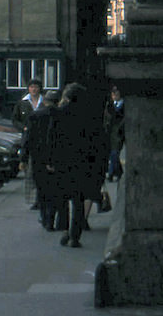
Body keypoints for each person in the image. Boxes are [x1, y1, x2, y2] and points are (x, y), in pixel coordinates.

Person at [47, 82, 101, 248]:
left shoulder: (58, 113)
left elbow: (52, 139)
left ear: (67, 97)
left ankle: (64, 231)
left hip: (62, 162)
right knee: (78, 200)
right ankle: (75, 236)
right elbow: (95, 142)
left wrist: (50, 160)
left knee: (62, 198)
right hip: (82, 163)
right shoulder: (89, 116)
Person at [21, 89, 60, 230]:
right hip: (57, 157)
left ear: (45, 101)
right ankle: (51, 217)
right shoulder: (62, 115)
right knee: (55, 189)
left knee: (42, 189)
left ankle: (44, 216)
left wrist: (23, 158)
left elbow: (27, 138)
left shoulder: (35, 115)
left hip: (38, 157)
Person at [104, 85, 125, 182]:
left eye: (116, 93)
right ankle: (119, 171)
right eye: (113, 94)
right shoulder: (109, 105)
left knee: (114, 153)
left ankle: (111, 173)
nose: (114, 96)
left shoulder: (124, 105)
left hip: (118, 133)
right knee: (113, 154)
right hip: (110, 132)